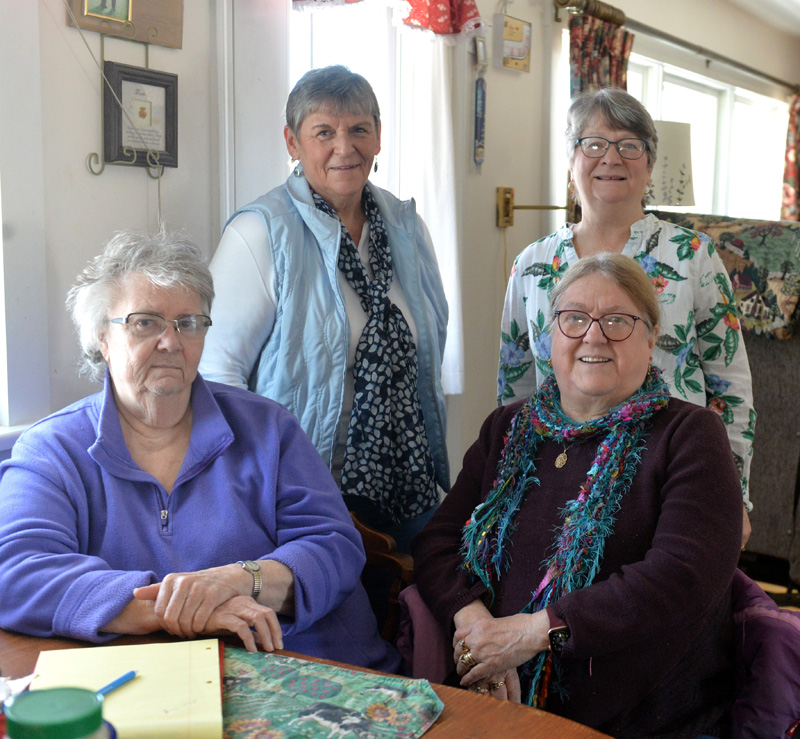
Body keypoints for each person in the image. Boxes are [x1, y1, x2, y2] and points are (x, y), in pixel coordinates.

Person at [0, 230, 398, 673]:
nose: (171, 342)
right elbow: (16, 573)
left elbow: (335, 548)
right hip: (150, 680)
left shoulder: (269, 428)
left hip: (305, 663)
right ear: (102, 339)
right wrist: (184, 610)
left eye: (188, 323)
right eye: (145, 322)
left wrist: (240, 579)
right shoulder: (52, 449)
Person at [415, 254, 742, 737]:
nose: (593, 335)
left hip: (639, 715)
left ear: (651, 339)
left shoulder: (691, 434)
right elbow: (437, 541)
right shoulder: (508, 427)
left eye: (617, 320)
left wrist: (530, 634)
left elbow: (681, 577)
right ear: (551, 338)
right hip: (489, 691)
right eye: (574, 318)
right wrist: (479, 631)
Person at [199, 65, 449, 558]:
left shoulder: (406, 226)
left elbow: (429, 348)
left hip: (410, 483)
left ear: (378, 137)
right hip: (302, 491)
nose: (345, 147)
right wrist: (255, 485)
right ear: (293, 142)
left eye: (359, 129)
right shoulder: (260, 233)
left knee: (426, 611)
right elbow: (217, 373)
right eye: (324, 132)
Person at [498, 87, 755, 544]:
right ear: (571, 160)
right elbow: (515, 388)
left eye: (629, 145)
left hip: (674, 473)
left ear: (650, 164)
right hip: (561, 474)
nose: (610, 158)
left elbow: (729, 384)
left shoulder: (693, 256)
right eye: (593, 144)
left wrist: (733, 494)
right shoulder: (531, 265)